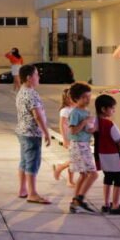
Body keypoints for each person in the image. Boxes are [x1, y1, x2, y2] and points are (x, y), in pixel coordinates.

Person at [13, 64, 52, 204]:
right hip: (32, 133)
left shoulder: (22, 91)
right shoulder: (31, 94)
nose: (38, 77)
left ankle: (23, 189)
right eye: (36, 75)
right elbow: (38, 115)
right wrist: (46, 132)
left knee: (24, 161)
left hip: (22, 131)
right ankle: (32, 193)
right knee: (32, 162)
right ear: (29, 78)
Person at [93, 94, 120, 214]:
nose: (114, 110)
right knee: (119, 180)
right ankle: (115, 205)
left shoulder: (95, 122)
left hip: (101, 154)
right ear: (104, 109)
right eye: (112, 108)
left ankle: (106, 204)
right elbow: (119, 141)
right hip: (114, 155)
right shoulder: (109, 124)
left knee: (108, 178)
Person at [65, 82, 99, 214]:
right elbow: (73, 131)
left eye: (89, 97)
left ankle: (75, 201)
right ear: (76, 98)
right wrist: (84, 122)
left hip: (85, 143)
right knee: (93, 174)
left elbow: (88, 130)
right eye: (84, 97)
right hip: (79, 144)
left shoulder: (86, 112)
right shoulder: (75, 113)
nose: (88, 100)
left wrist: (94, 127)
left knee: (84, 174)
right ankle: (80, 199)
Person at [50, 88, 75, 188]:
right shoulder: (65, 110)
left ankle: (68, 177)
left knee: (74, 159)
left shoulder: (76, 108)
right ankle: (61, 169)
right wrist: (65, 139)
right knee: (74, 159)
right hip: (70, 138)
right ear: (67, 98)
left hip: (77, 137)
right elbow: (62, 125)